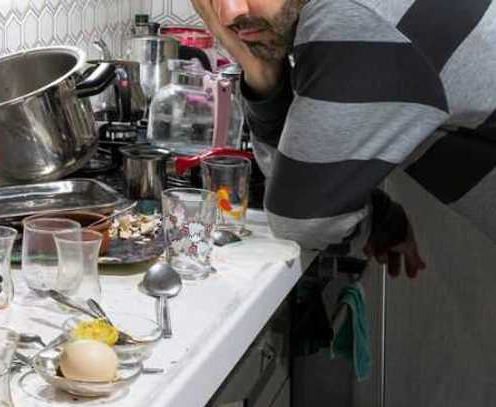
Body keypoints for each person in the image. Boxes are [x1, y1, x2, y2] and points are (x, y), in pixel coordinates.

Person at [190, 0, 496, 278]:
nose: (229, 13)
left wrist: (258, 71)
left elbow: (300, 220)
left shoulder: (345, 14)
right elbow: (309, 180)